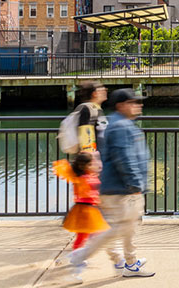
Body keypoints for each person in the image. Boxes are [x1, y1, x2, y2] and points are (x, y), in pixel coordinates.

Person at [66, 88, 153, 278]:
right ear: (121, 106)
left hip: (120, 187)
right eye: (133, 102)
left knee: (128, 227)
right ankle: (81, 255)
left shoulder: (120, 123)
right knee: (117, 229)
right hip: (121, 189)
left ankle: (131, 263)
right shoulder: (120, 126)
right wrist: (135, 185)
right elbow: (124, 158)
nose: (139, 105)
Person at [53, 151, 110, 276]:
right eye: (90, 164)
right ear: (84, 166)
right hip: (86, 211)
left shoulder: (85, 176)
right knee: (89, 236)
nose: (93, 165)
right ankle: (75, 261)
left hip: (87, 210)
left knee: (87, 236)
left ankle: (74, 258)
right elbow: (90, 192)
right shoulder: (83, 179)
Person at [72, 80, 107, 152]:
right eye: (102, 90)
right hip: (92, 154)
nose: (105, 92)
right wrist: (90, 154)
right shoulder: (88, 109)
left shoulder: (96, 108)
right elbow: (85, 135)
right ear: (94, 94)